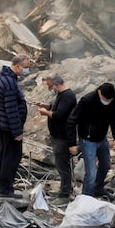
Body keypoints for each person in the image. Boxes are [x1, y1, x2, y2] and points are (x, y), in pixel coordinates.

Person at [70, 81, 115, 197]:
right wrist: (72, 143)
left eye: (110, 100)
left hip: (102, 138)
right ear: (99, 93)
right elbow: (72, 120)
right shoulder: (87, 101)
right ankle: (86, 199)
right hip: (88, 141)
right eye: (105, 100)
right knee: (91, 173)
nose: (107, 102)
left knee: (106, 165)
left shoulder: (113, 97)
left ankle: (98, 189)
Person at [0, 54, 32, 199]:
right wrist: (17, 132)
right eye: (26, 68)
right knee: (12, 157)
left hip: (3, 124)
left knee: (3, 154)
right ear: (17, 66)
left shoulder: (5, 78)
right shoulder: (9, 83)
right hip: (9, 127)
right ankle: (6, 189)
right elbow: (11, 109)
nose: (26, 71)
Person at [37, 73, 78, 201]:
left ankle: (65, 194)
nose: (51, 90)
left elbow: (59, 115)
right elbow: (58, 109)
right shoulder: (62, 95)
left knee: (62, 166)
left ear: (57, 85)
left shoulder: (67, 96)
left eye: (51, 87)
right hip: (58, 136)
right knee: (61, 165)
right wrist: (47, 106)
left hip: (62, 137)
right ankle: (65, 189)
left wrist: (46, 113)